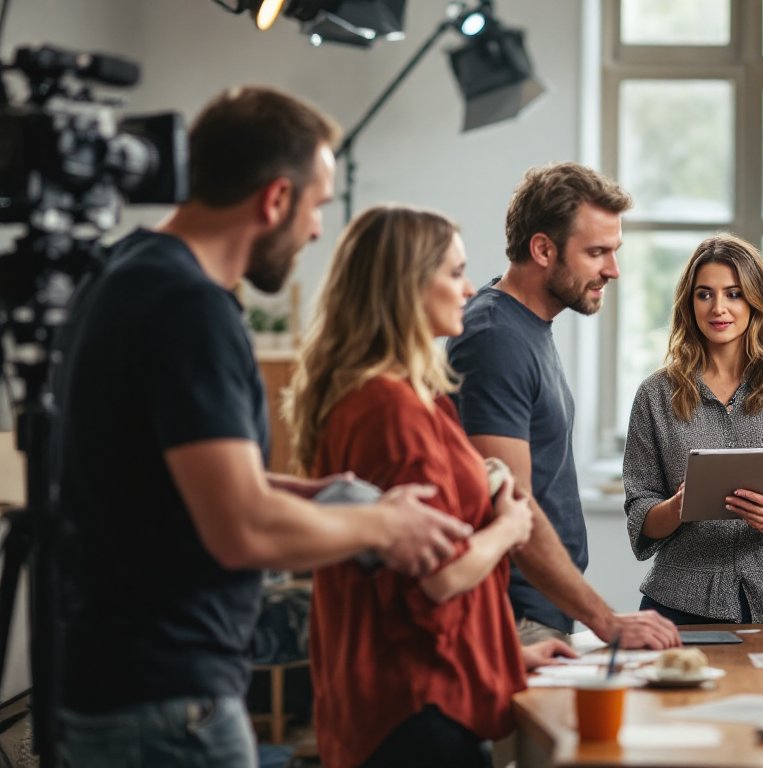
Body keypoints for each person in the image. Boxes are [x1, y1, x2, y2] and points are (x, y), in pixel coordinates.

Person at [55, 86, 466, 768]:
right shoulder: (191, 309)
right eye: (316, 207)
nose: (315, 231)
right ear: (275, 199)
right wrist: (385, 525)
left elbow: (174, 475)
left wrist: (313, 493)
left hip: (122, 686)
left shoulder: (127, 269)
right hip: (168, 704)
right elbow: (242, 528)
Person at [287, 205, 577, 768]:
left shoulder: (394, 399)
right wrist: (507, 529)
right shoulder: (389, 410)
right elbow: (438, 580)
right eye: (453, 273)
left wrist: (505, 656)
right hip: (416, 711)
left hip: (405, 698)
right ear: (406, 287)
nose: (469, 289)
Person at [448, 162, 679, 649]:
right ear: (543, 249)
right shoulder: (495, 337)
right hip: (515, 616)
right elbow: (510, 504)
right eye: (597, 252)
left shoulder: (525, 325)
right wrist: (607, 620)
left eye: (614, 252)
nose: (612, 270)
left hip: (542, 610)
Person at [623, 234, 763, 624]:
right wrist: (675, 508)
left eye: (734, 294)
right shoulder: (655, 394)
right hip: (677, 605)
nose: (718, 308)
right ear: (689, 304)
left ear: (757, 301)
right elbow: (639, 509)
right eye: (704, 294)